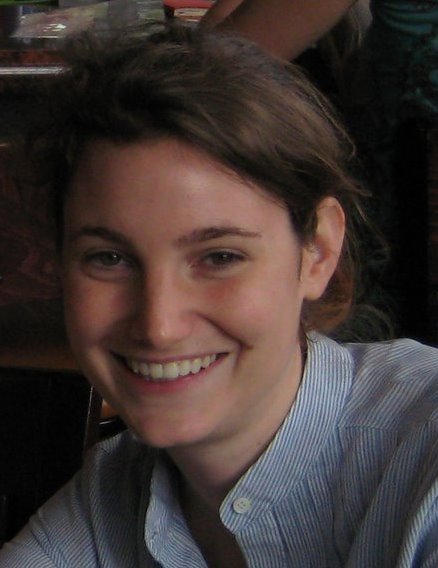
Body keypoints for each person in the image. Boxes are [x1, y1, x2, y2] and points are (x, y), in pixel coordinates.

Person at [1, 22, 438, 567]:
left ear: (319, 252)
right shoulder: (107, 499)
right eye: (108, 259)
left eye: (220, 257)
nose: (159, 326)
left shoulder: (424, 448)